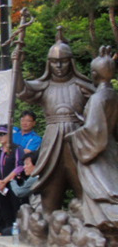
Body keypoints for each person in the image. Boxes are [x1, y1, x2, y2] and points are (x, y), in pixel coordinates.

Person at [15, 29, 95, 218]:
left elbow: (102, 101)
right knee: (50, 188)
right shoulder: (45, 86)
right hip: (52, 142)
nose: (59, 65)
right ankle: (49, 225)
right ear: (48, 64)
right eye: (54, 62)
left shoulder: (80, 85)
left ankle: (91, 223)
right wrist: (17, 66)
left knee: (84, 184)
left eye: (63, 61)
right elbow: (22, 90)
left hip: (77, 140)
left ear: (71, 62)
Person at [67, 50, 118, 236]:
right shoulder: (113, 95)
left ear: (94, 75)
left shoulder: (98, 98)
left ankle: (106, 223)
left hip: (96, 150)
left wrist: (74, 136)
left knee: (102, 189)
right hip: (110, 146)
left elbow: (94, 130)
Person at [0, 125, 24, 232]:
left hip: (13, 184)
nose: (0, 137)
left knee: (15, 207)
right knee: (3, 208)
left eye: (2, 135)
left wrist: (6, 180)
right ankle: (7, 230)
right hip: (0, 185)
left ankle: (17, 231)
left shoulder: (17, 149)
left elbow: (19, 166)